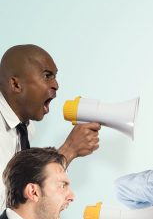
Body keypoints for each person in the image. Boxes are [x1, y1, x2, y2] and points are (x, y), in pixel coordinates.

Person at [0, 44, 101, 210]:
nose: (56, 85)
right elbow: (8, 208)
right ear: (16, 84)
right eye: (47, 76)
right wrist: (68, 151)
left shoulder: (25, 128)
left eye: (55, 76)